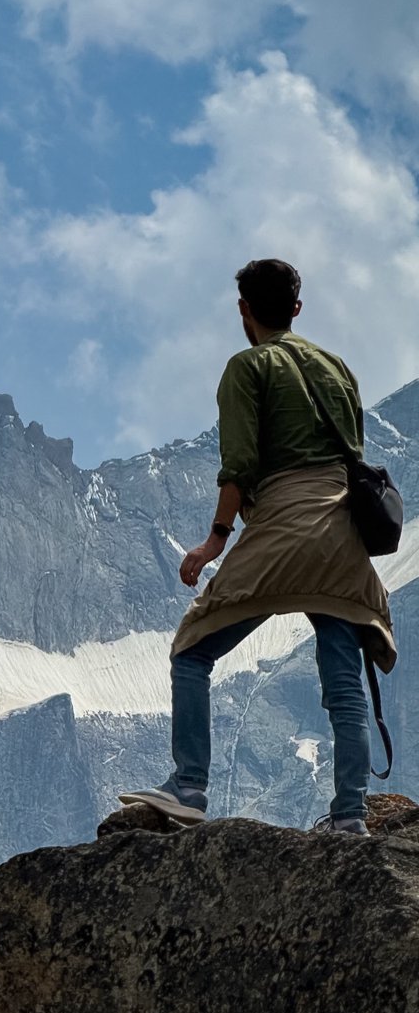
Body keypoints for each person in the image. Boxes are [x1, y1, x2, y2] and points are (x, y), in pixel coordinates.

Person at [119, 259, 396, 835]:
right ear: (297, 308)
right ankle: (350, 818)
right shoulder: (337, 366)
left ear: (243, 309)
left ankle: (189, 787)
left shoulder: (247, 366)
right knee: (344, 680)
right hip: (343, 532)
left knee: (192, 650)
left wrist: (214, 540)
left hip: (281, 522)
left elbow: (239, 467)